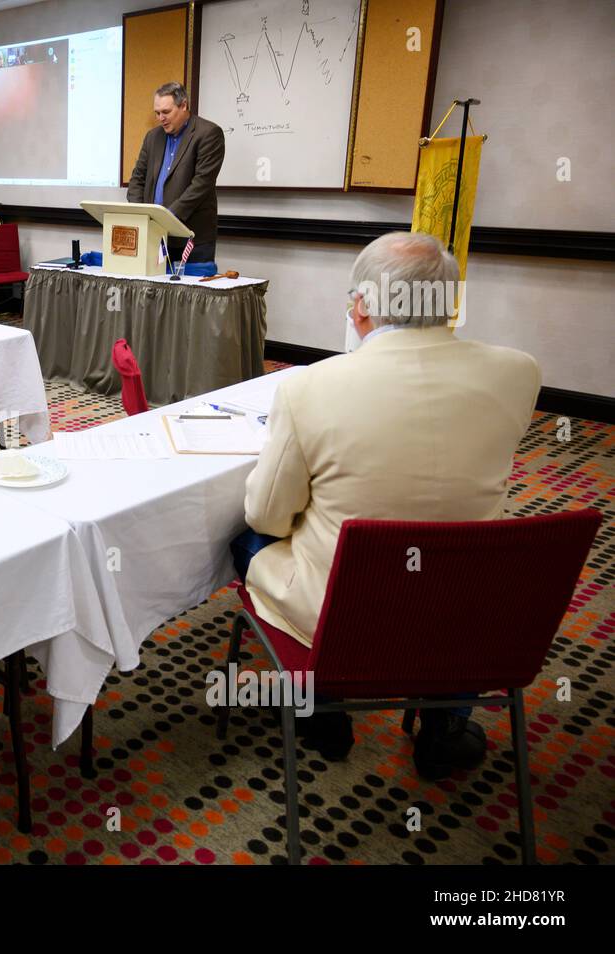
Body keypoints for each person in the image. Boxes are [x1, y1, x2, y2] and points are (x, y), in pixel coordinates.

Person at [232, 231, 541, 778]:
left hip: (346, 618)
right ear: (449, 302)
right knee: (447, 571)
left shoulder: (308, 389)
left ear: (360, 307)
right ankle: (444, 726)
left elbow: (267, 517)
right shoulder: (519, 373)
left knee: (244, 539)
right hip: (467, 614)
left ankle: (323, 707)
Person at [126, 82, 225, 275]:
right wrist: (140, 214)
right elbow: (137, 179)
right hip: (155, 236)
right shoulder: (152, 137)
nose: (160, 118)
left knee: (189, 300)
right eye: (157, 113)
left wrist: (166, 219)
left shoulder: (208, 134)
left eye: (166, 112)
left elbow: (201, 185)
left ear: (184, 106)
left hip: (192, 237)